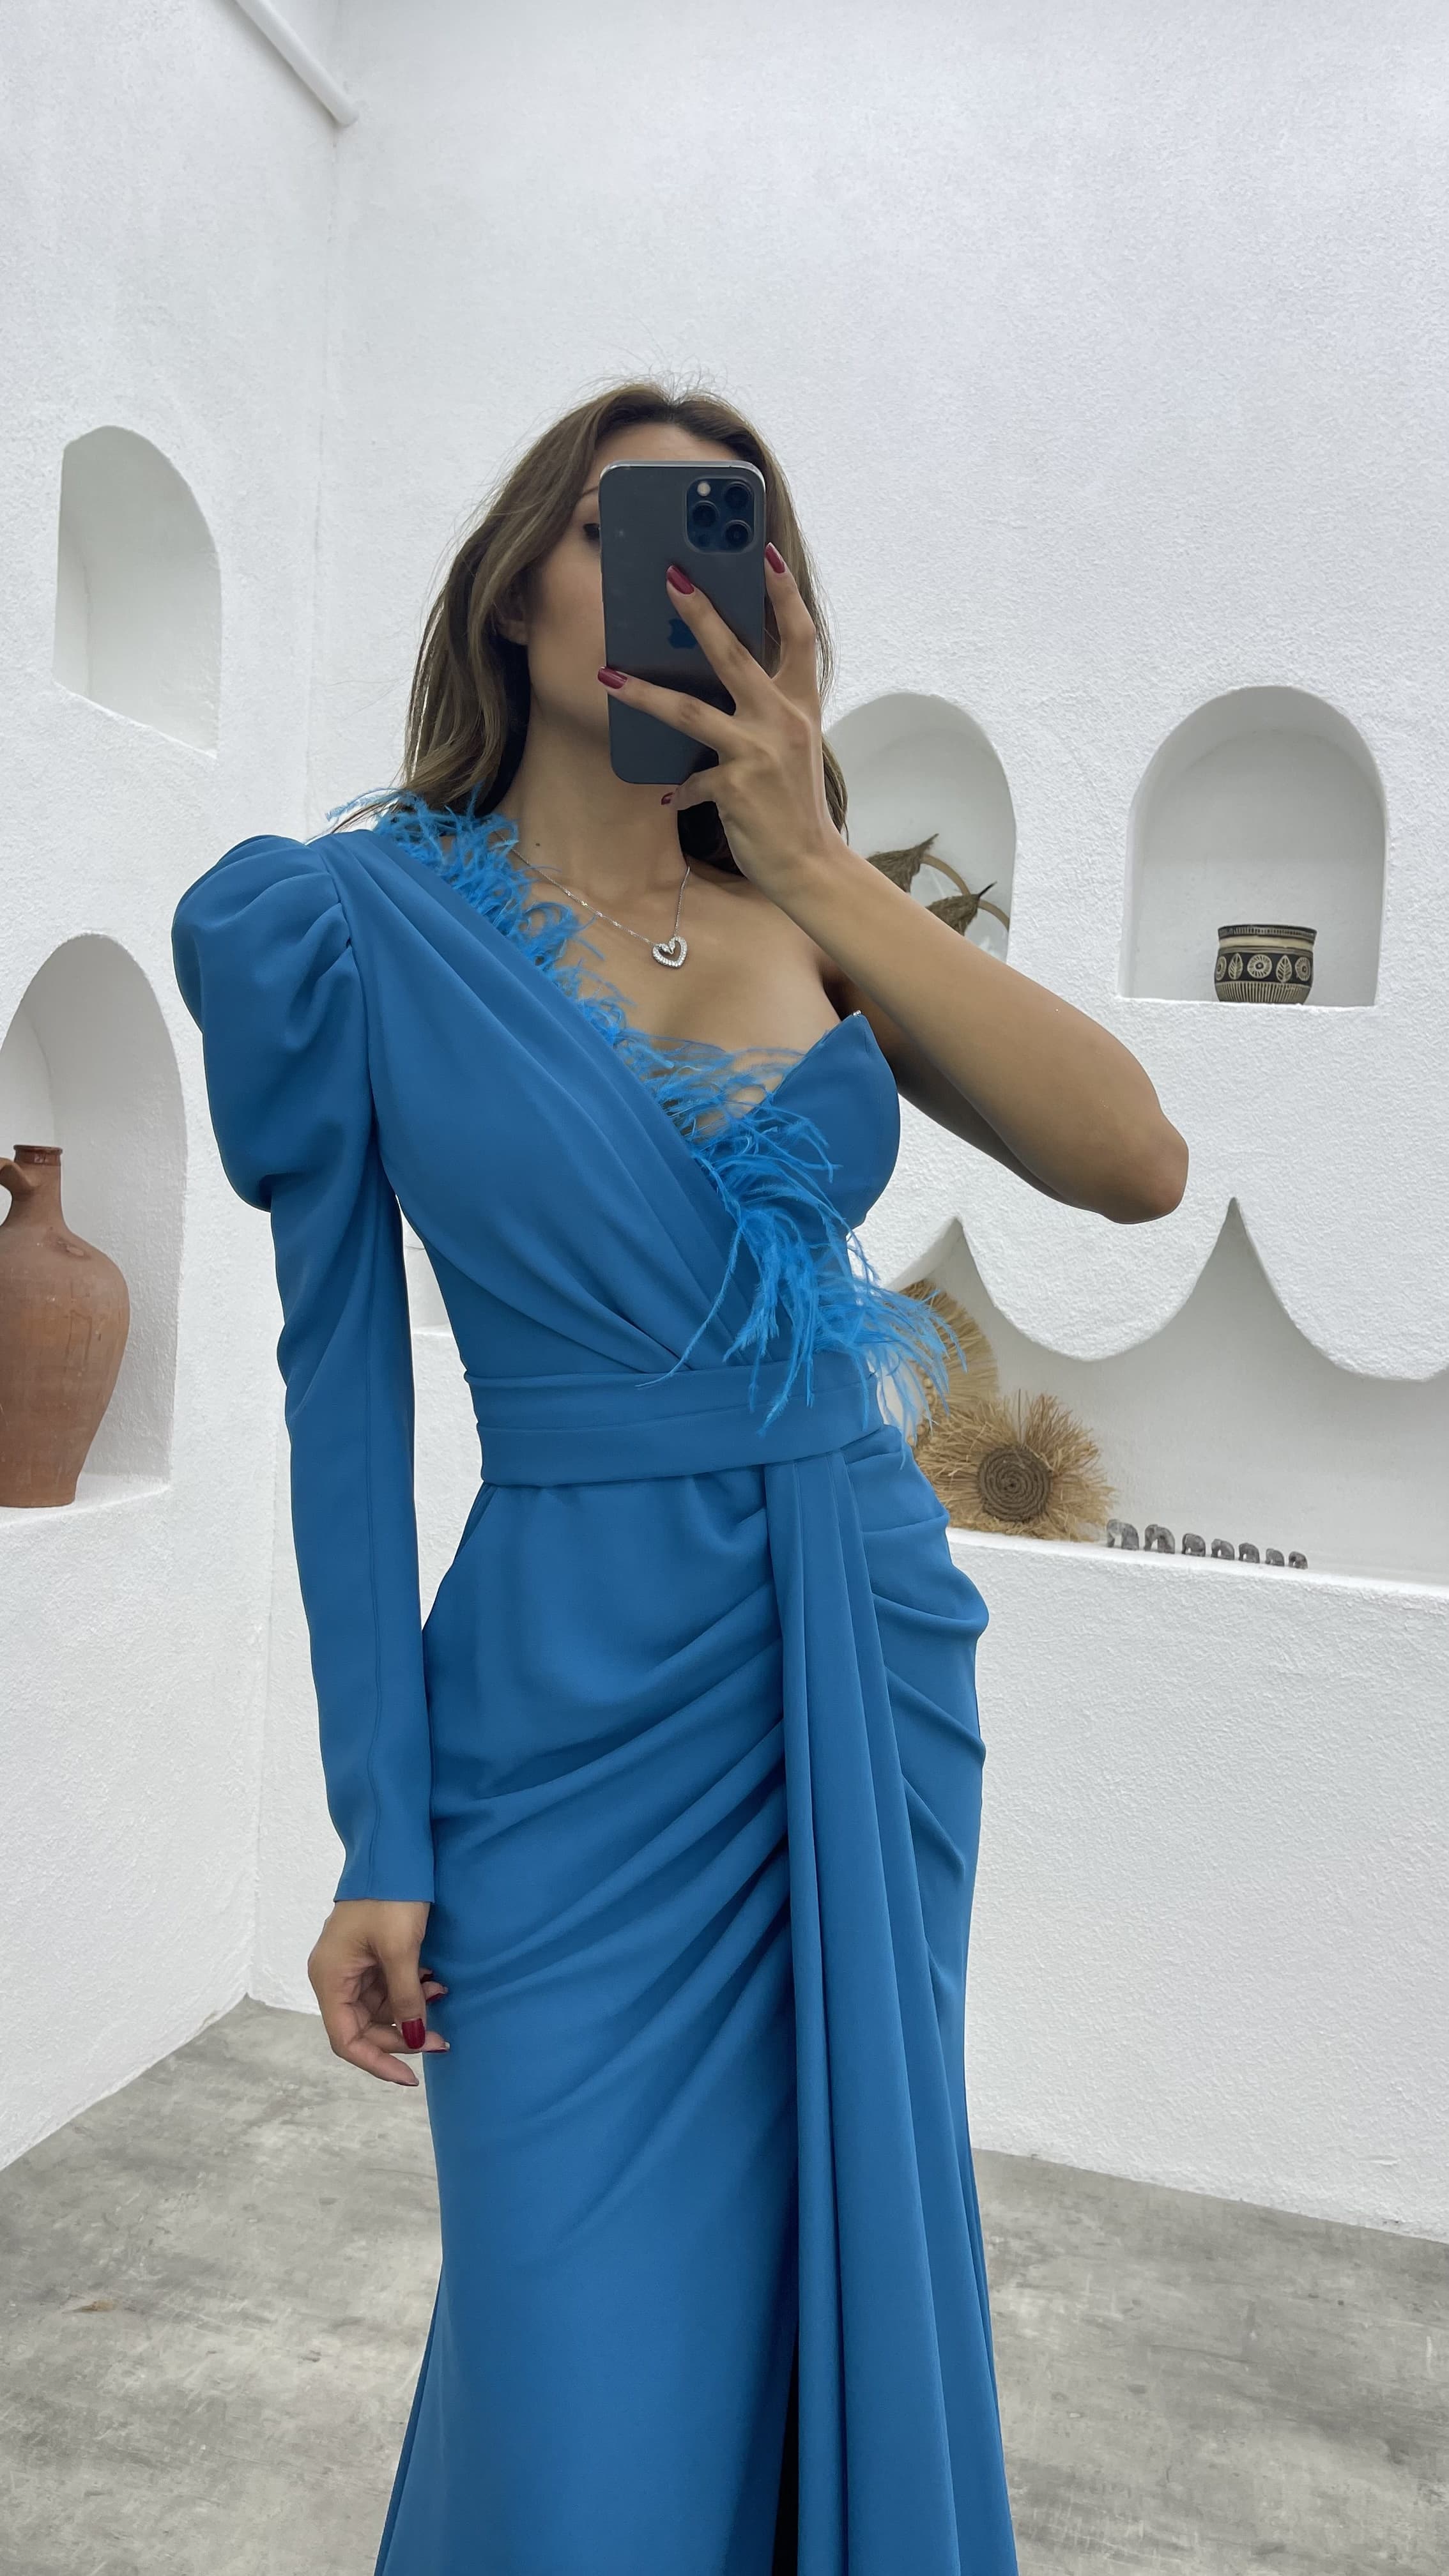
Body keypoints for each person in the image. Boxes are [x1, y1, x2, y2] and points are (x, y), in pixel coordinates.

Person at [171, 378, 1187, 2576]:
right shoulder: (344, 929)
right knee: (568, 2350)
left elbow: (1131, 1162)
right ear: (513, 585)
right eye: (621, 530)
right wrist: (377, 1824)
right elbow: (338, 1391)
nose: (681, 581)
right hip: (560, 1699)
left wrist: (811, 853)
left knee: (833, 2265)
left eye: (735, 540)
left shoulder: (818, 918)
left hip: (851, 1653)